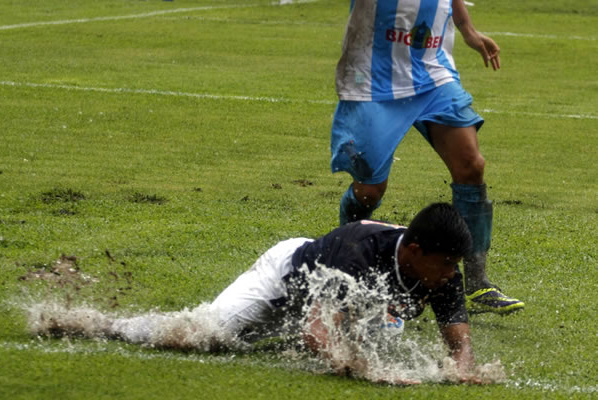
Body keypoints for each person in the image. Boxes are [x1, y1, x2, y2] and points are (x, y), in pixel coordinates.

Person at [35, 203, 489, 383]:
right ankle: (104, 325)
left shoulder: (440, 271)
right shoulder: (356, 252)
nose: (451, 274)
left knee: (382, 338)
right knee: (205, 335)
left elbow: (459, 338)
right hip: (287, 277)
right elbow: (316, 332)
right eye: (446, 263)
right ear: (413, 249)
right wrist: (362, 371)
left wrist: (463, 369)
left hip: (350, 302)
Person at [330, 0, 523, 314]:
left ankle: (476, 282)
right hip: (373, 77)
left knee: (471, 166)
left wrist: (468, 30)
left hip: (432, 71)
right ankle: (348, 259)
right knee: (369, 191)